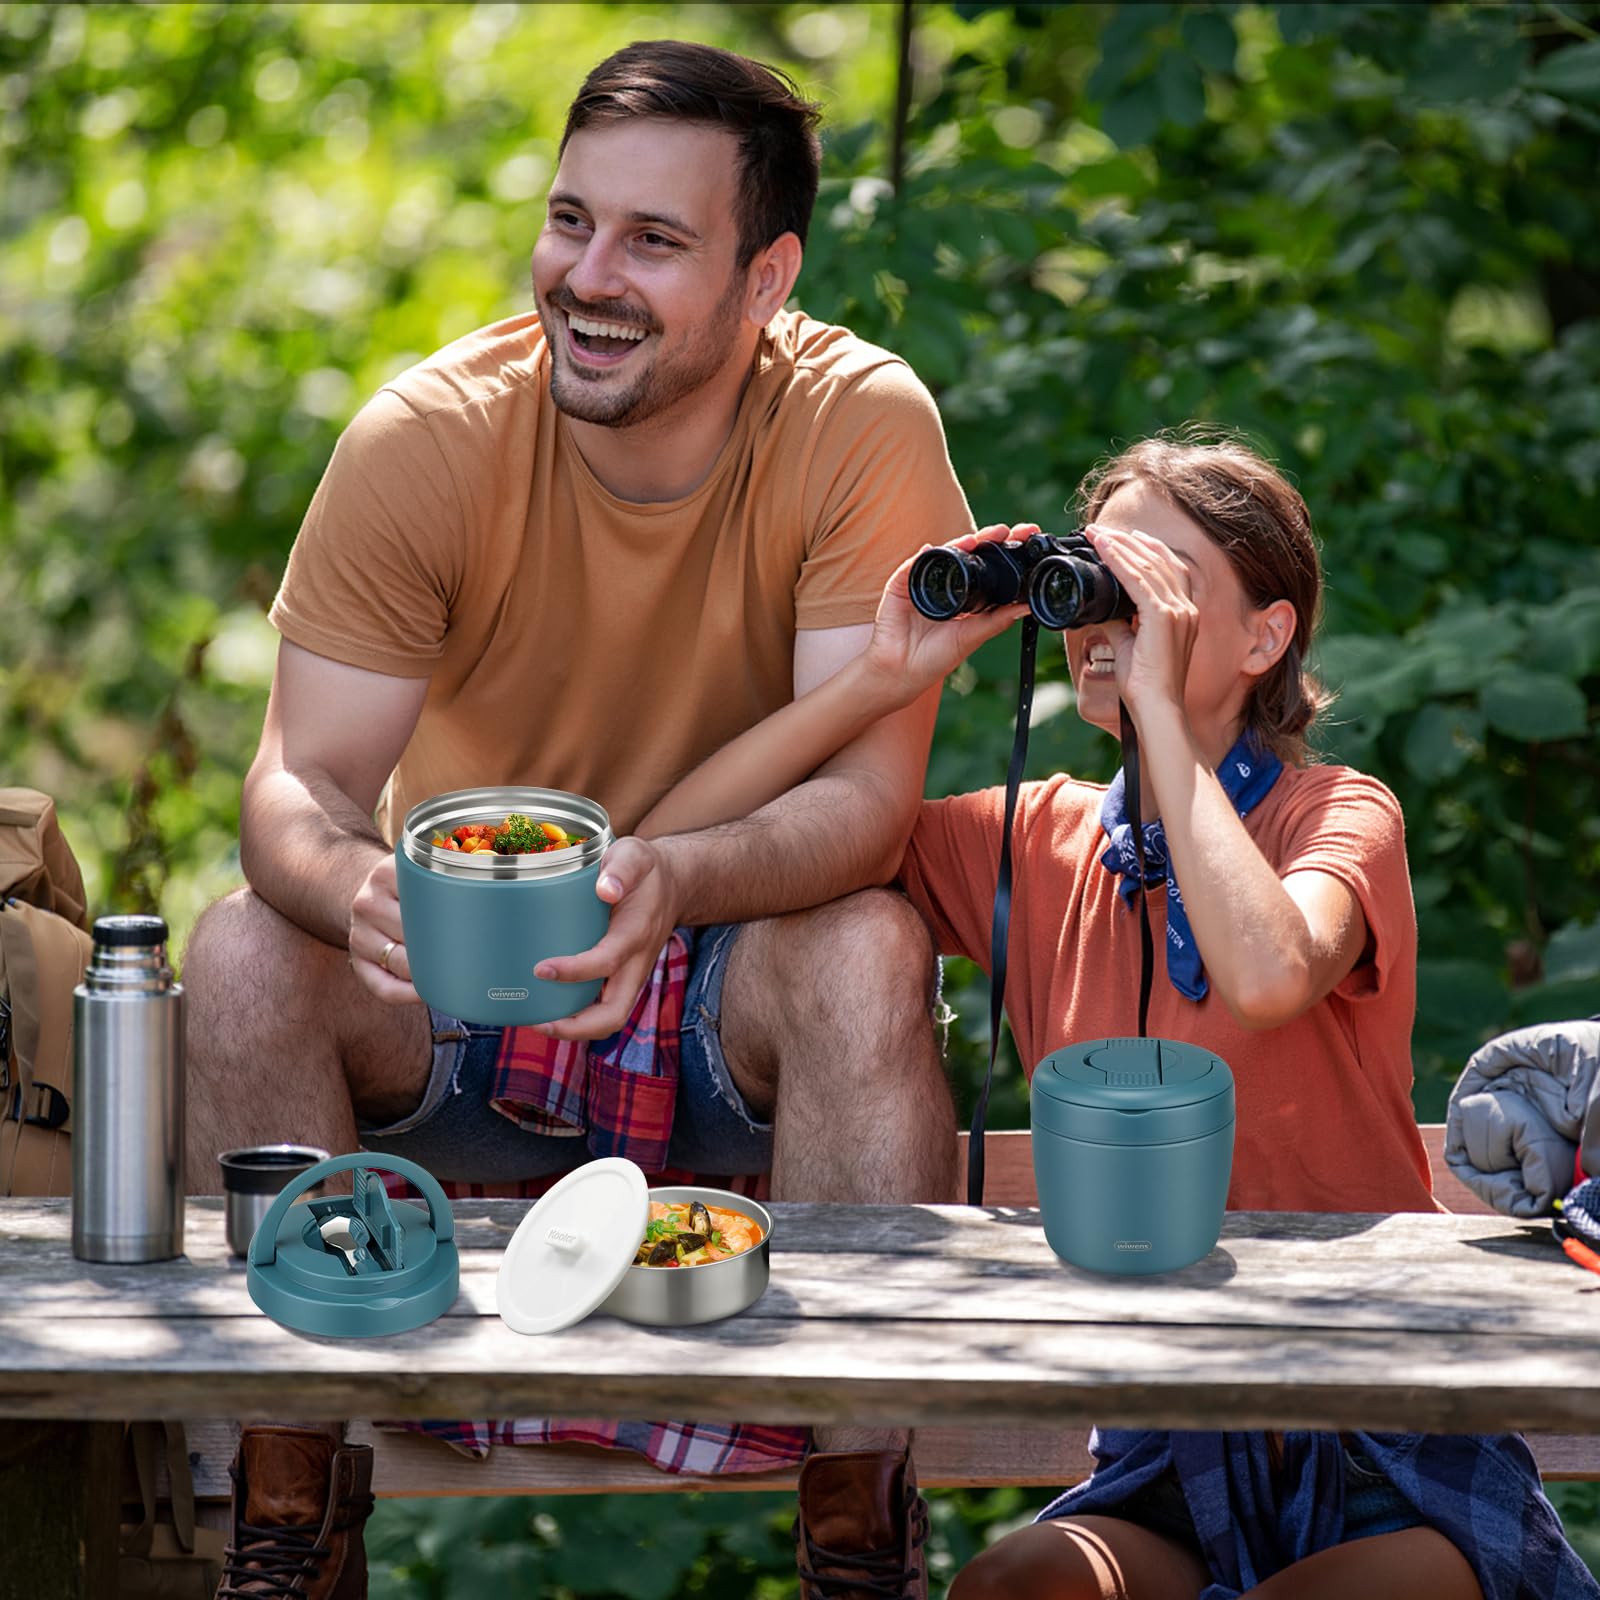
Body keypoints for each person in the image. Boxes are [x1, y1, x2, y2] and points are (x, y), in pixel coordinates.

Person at [183, 39, 971, 1600]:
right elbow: (296, 783)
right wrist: (350, 891)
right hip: (455, 982)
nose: (586, 277)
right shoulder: (427, 439)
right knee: (241, 951)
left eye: (654, 242)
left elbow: (870, 810)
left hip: (720, 972)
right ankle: (291, 1513)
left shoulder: (858, 427)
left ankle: (859, 1531)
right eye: (570, 222)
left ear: (767, 281)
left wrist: (679, 876)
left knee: (874, 948)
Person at [646, 431, 1600, 1600]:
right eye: (1098, 578)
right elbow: (675, 848)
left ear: (1263, 635)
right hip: (1167, 1445)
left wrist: (1159, 714)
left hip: (1379, 1427)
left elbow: (1266, 971)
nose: (1111, 618)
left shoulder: (1337, 814)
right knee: (1009, 1587)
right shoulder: (1032, 838)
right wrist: (885, 676)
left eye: (1157, 584)